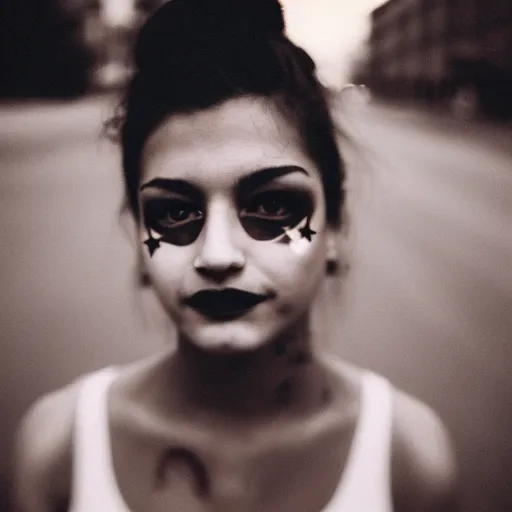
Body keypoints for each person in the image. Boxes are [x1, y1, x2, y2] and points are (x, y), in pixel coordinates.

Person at [12, 1, 458, 511]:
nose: (217, 255)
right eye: (175, 213)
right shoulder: (58, 450)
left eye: (271, 205)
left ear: (335, 227)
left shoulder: (409, 459)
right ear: (137, 235)